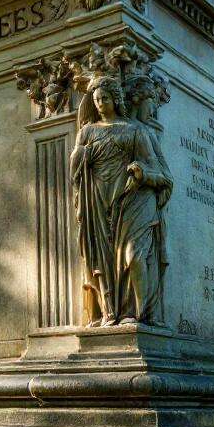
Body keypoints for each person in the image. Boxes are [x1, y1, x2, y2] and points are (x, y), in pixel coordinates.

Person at [70, 76, 172, 325]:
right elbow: (74, 169)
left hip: (133, 200)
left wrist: (142, 173)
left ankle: (140, 314)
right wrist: (82, 153)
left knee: (133, 256)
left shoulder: (135, 131)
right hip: (99, 200)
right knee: (102, 259)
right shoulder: (87, 132)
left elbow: (162, 175)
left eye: (104, 98)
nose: (100, 103)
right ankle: (109, 311)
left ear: (116, 98)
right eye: (96, 100)